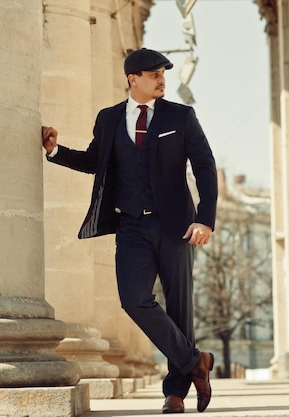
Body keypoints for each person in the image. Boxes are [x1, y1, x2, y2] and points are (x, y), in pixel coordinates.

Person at [41, 48, 217, 414]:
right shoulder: (108, 120)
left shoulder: (181, 116)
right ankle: (196, 361)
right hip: (131, 225)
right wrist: (56, 152)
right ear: (132, 78)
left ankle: (175, 393)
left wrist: (205, 218)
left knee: (180, 309)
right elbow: (94, 162)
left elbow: (204, 166)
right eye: (154, 74)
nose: (162, 79)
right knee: (134, 299)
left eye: (163, 73)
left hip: (177, 227)